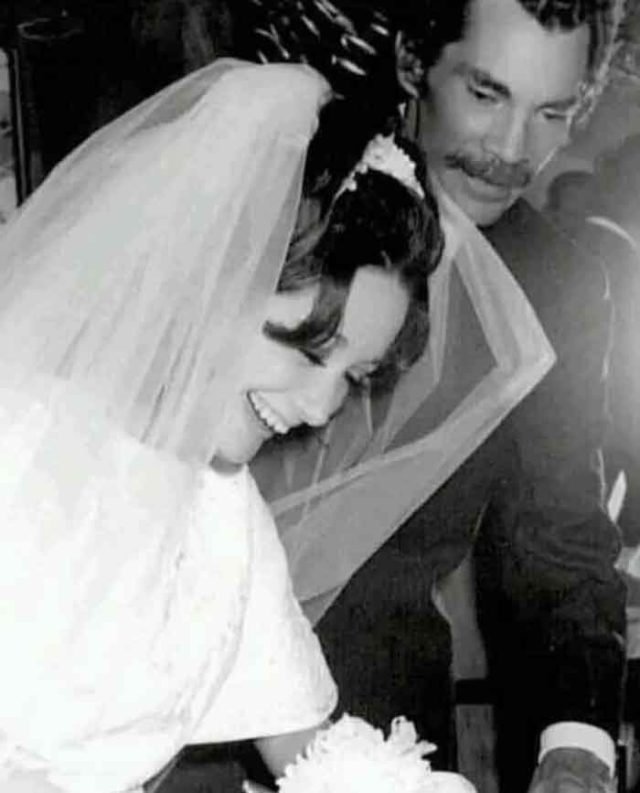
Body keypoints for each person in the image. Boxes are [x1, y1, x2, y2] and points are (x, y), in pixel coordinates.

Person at [0, 57, 446, 792]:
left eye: (354, 376)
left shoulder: (223, 512)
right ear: (210, 281)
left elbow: (307, 745)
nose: (320, 407)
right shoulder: (18, 436)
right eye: (308, 349)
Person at [222, 2, 628, 793]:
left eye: (551, 113)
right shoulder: (279, 190)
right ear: (413, 62)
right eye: (485, 94)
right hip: (177, 731)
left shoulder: (559, 285)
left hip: (381, 734)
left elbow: (562, 542)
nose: (510, 150)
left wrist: (576, 747)